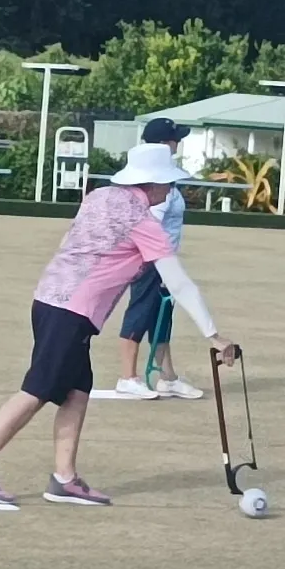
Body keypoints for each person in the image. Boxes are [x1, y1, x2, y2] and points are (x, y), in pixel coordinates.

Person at [0, 143, 237, 507]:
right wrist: (213, 334)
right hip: (72, 310)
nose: (171, 189)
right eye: (169, 183)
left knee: (77, 390)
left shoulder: (99, 196)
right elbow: (179, 282)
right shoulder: (142, 221)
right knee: (38, 388)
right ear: (153, 184)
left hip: (48, 299)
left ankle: (65, 479)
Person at [115, 117, 201, 399]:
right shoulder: (157, 184)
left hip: (164, 259)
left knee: (161, 318)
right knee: (140, 314)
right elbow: (149, 223)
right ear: (164, 144)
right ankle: (127, 376)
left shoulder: (167, 178)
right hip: (151, 260)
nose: (179, 142)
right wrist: (159, 263)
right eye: (175, 138)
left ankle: (167, 377)